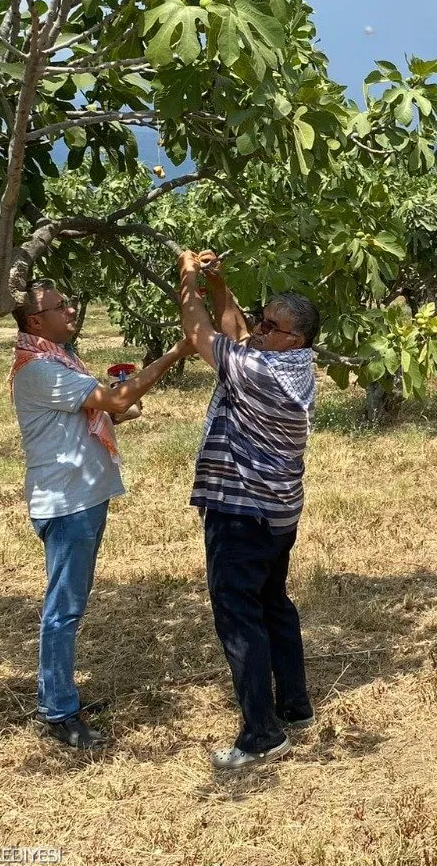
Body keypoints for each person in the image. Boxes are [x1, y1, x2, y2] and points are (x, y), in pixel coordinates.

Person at [10, 278, 195, 750]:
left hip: (81, 498)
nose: (71, 311)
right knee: (63, 610)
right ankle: (57, 711)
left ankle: (61, 696)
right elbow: (111, 400)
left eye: (69, 301)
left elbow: (96, 409)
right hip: (68, 504)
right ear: (35, 321)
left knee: (67, 606)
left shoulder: (56, 359)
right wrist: (176, 353)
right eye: (60, 306)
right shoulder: (39, 370)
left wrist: (114, 409)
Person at [176, 249, 319, 770]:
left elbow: (201, 335)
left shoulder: (261, 373)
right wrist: (218, 283)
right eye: (261, 318)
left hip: (241, 512)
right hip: (276, 513)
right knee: (274, 604)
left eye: (271, 325)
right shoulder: (292, 364)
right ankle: (295, 706)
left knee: (240, 618)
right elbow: (239, 333)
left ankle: (262, 732)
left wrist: (188, 278)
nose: (258, 329)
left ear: (293, 339)